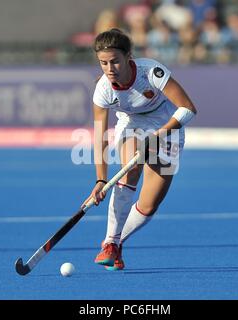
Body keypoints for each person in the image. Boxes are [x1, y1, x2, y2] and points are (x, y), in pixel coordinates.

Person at [82, 28, 197, 271]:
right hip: (131, 124)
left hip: (167, 127)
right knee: (131, 168)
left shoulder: (151, 72)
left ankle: (118, 242)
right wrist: (100, 179)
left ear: (128, 57)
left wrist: (158, 136)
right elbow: (100, 136)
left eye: (114, 61)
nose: (109, 68)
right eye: (103, 63)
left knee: (148, 205)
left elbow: (187, 109)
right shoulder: (103, 90)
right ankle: (109, 243)